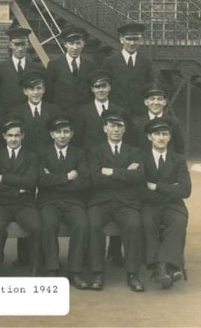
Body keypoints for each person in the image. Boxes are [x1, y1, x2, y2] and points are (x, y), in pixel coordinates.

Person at [86, 108, 145, 292]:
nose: (116, 130)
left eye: (120, 126)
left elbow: (138, 177)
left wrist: (110, 171)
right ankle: (97, 273)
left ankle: (132, 274)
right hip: (101, 202)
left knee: (134, 224)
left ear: (125, 129)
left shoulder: (134, 151)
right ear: (105, 128)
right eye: (112, 126)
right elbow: (95, 179)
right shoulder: (95, 151)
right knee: (93, 224)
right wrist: (125, 172)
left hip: (126, 203)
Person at [37, 115, 90, 289]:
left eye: (66, 131)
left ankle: (75, 271)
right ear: (52, 134)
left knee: (81, 224)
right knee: (49, 224)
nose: (62, 135)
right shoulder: (42, 153)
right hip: (49, 201)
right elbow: (40, 180)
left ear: (72, 134)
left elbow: (84, 182)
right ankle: (52, 268)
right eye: (58, 132)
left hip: (73, 201)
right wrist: (67, 177)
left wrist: (54, 181)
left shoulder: (79, 154)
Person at [0, 114, 42, 276]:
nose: (13, 139)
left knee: (37, 227)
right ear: (4, 136)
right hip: (0, 203)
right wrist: (17, 189)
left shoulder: (32, 156)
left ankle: (36, 267)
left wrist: (4, 177)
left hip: (24, 204)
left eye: (17, 135)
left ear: (23, 136)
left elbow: (31, 181)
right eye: (10, 135)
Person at [140, 117, 191, 289]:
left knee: (178, 222)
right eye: (156, 134)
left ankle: (161, 268)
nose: (161, 138)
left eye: (165, 134)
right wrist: (170, 188)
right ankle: (169, 268)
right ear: (150, 137)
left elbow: (185, 190)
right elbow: (140, 190)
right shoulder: (141, 158)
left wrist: (156, 186)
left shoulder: (178, 160)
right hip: (150, 205)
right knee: (147, 222)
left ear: (169, 137)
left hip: (173, 206)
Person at [103, 22, 154, 117]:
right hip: (117, 111)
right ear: (121, 39)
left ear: (140, 40)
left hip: (139, 112)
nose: (132, 43)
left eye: (135, 39)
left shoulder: (146, 62)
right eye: (128, 39)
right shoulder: (110, 62)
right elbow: (106, 87)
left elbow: (149, 86)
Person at [45, 26, 96, 112]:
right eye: (71, 43)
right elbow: (49, 93)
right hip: (61, 113)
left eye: (78, 43)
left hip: (83, 114)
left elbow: (92, 93)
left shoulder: (90, 66)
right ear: (65, 44)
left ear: (83, 44)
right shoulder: (54, 65)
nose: (75, 47)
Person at [0, 25, 43, 108]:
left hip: (29, 114)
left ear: (28, 45)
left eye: (23, 44)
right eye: (16, 44)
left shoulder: (37, 68)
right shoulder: (0, 68)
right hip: (8, 113)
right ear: (10, 45)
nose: (20, 48)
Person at [13, 70, 61, 152]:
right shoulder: (16, 112)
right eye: (32, 89)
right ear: (25, 91)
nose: (36, 92)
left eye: (39, 88)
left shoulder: (54, 110)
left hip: (48, 157)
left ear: (44, 90)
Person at [132, 83, 186, 154]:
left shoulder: (173, 123)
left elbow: (180, 149)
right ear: (146, 102)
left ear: (165, 102)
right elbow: (132, 149)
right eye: (152, 99)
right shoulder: (137, 123)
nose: (156, 102)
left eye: (159, 99)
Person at [74, 69, 113, 151]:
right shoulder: (82, 112)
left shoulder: (118, 110)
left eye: (104, 86)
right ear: (92, 89)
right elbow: (78, 140)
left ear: (110, 87)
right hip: (89, 156)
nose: (101, 90)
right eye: (97, 87)